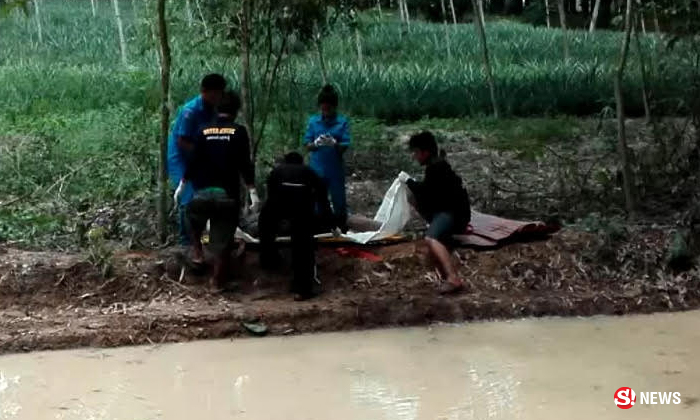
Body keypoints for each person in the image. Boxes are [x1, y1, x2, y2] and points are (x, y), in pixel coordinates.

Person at [180, 90, 259, 289]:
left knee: (192, 219)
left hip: (202, 193)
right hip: (227, 196)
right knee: (222, 241)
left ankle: (197, 253)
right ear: (236, 111)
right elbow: (245, 164)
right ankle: (217, 281)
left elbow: (193, 160)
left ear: (217, 109)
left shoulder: (203, 130)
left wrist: (182, 184)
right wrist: (252, 191)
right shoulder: (239, 132)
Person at [398, 131, 470, 294]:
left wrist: (409, 180)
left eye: (416, 152)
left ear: (426, 152)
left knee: (431, 239)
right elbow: (426, 193)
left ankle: (453, 278)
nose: (414, 156)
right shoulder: (436, 165)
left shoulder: (437, 168)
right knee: (411, 196)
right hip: (447, 210)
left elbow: (425, 192)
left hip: (453, 214)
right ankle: (435, 226)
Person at [258, 152, 335, 301]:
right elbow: (323, 198)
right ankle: (303, 289)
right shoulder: (309, 172)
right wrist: (330, 223)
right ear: (301, 162)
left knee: (265, 226)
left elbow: (270, 195)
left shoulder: (276, 171)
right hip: (302, 211)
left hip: (277, 209)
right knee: (303, 249)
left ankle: (269, 259)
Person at [169, 74, 227, 247]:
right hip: (180, 157)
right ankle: (185, 242)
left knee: (207, 196)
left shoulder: (216, 110)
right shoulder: (190, 111)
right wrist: (205, 153)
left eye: (220, 94)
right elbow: (182, 140)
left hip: (200, 157)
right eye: (214, 94)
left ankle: (202, 238)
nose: (217, 98)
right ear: (204, 92)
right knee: (188, 199)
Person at [303, 84, 351, 232]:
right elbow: (307, 144)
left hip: (334, 168)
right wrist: (316, 143)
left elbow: (345, 145)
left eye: (328, 109)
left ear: (334, 107)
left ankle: (341, 227)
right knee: (317, 200)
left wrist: (335, 144)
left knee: (338, 200)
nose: (325, 112)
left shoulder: (342, 122)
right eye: (323, 109)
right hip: (317, 167)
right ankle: (320, 228)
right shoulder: (313, 121)